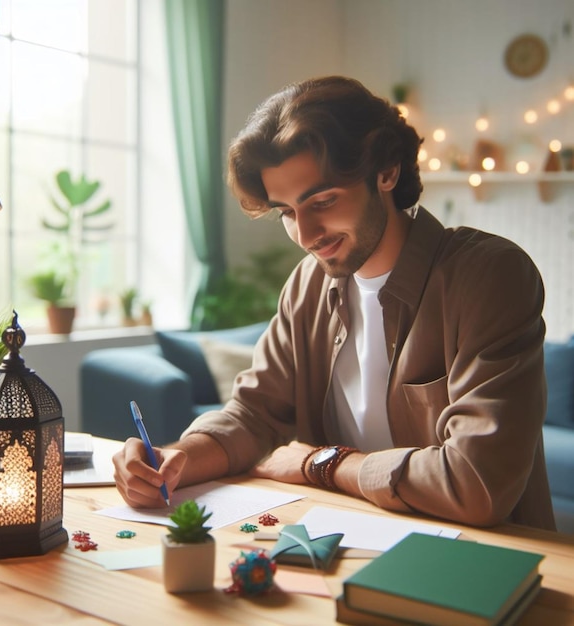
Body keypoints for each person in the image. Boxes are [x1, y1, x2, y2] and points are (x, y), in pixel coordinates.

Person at [113, 75, 555, 530]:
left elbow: (476, 484)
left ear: (386, 171)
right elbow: (253, 415)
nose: (305, 236)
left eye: (322, 201)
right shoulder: (307, 284)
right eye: (286, 212)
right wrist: (174, 459)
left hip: (489, 557)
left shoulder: (489, 276)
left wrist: (323, 462)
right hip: (350, 541)